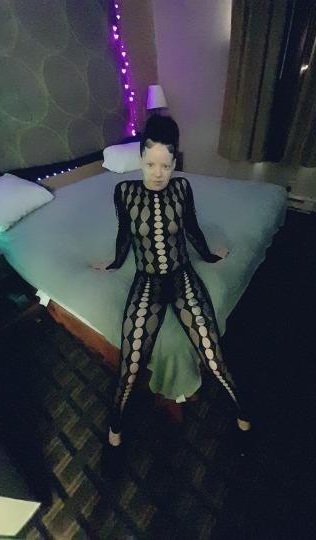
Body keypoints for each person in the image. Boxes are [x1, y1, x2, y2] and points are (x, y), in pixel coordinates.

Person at [91, 115, 252, 475]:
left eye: (165, 165)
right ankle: (114, 436)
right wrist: (114, 264)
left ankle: (244, 420)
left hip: (182, 279)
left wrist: (210, 256)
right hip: (147, 282)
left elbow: (192, 229)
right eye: (150, 164)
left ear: (175, 162)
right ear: (140, 158)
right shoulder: (124, 192)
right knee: (130, 366)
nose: (158, 173)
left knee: (213, 358)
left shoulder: (182, 188)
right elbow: (125, 235)